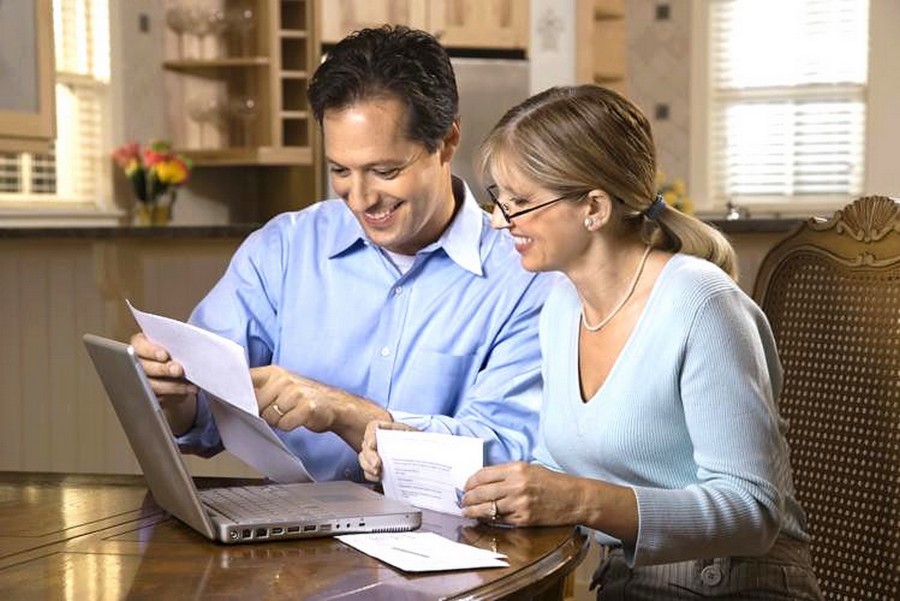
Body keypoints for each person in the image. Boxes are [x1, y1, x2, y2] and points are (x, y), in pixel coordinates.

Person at [360, 85, 822, 599]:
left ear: (594, 208)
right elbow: (553, 465)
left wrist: (581, 501)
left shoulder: (702, 305)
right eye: (499, 200)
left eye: (519, 203)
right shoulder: (562, 304)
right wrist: (416, 440)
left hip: (733, 586)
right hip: (628, 581)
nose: (497, 220)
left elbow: (752, 512)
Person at [130, 25, 555, 482]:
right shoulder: (284, 249)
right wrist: (175, 394)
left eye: (385, 171)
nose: (361, 198)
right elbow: (206, 421)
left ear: (447, 141)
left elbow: (503, 452)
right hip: (290, 523)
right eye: (341, 171)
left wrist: (345, 413)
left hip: (446, 525)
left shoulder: (525, 275)